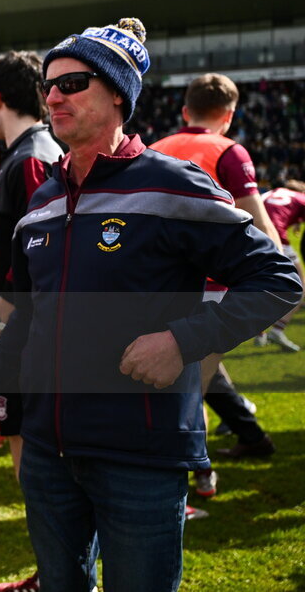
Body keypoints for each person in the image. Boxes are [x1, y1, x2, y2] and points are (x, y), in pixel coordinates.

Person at [0, 17, 301, 592]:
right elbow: (30, 314)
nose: (54, 95)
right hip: (47, 453)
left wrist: (183, 341)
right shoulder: (44, 197)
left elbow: (279, 277)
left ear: (117, 94)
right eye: (49, 85)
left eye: (73, 82)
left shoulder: (173, 185)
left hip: (141, 453)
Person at [150, 73, 280, 487]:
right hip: (211, 290)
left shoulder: (154, 149)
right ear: (229, 115)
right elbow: (260, 227)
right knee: (190, 389)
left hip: (157, 287)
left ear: (185, 111)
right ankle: (185, 480)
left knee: (185, 382)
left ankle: (202, 469)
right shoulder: (227, 150)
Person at [0, 52, 62, 592]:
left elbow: (33, 262)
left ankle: (58, 574)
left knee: (34, 459)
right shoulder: (31, 153)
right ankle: (56, 571)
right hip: (28, 330)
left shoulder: (31, 158)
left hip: (25, 336)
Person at [259, 180, 305, 349]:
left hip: (253, 238)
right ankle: (277, 331)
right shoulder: (300, 197)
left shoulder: (267, 194)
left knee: (261, 287)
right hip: (277, 240)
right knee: (300, 286)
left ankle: (259, 331)